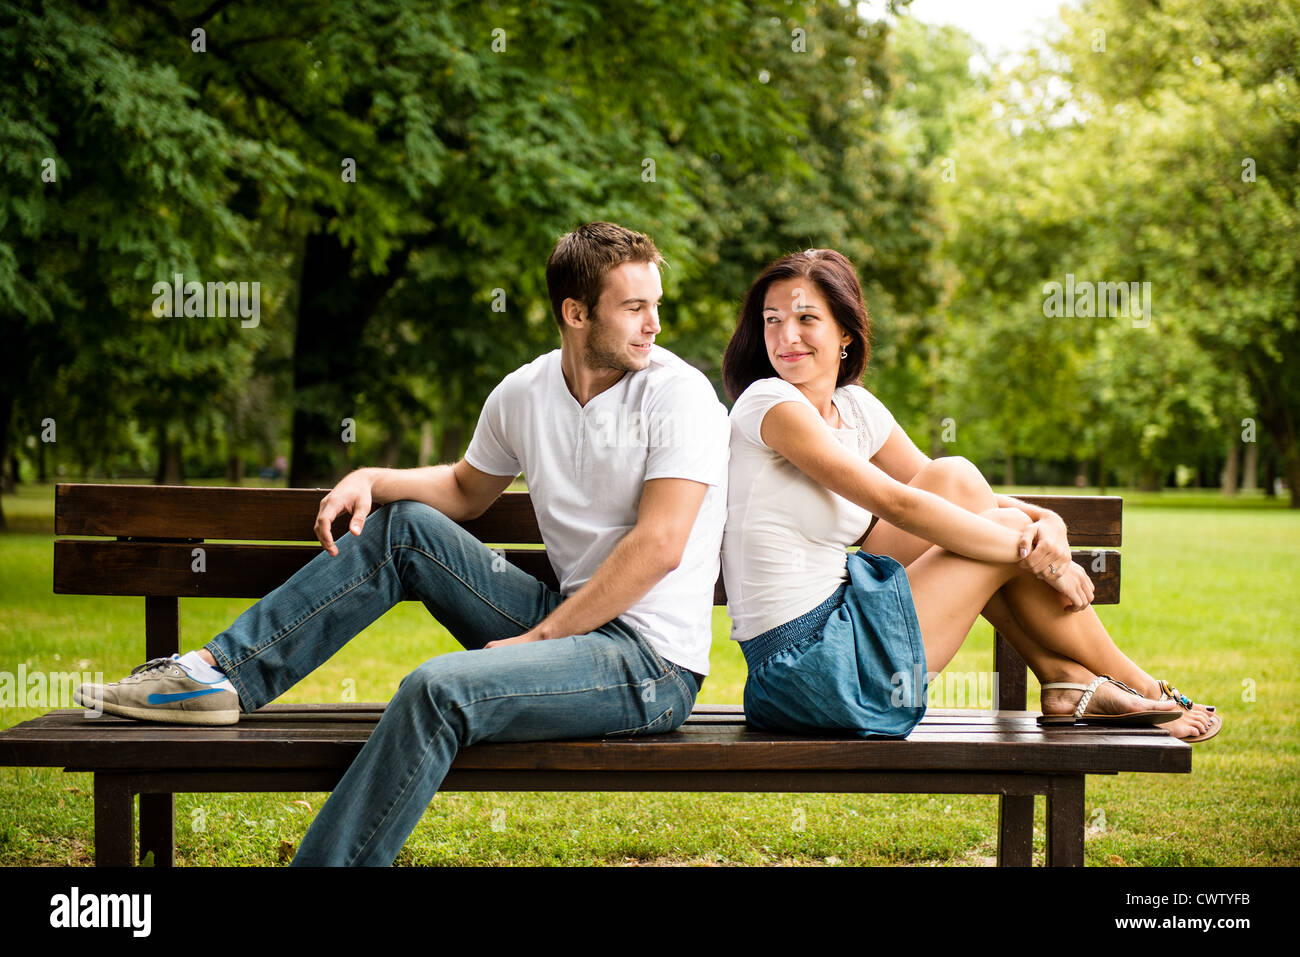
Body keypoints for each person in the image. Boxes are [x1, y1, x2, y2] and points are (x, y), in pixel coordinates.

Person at [74, 221, 732, 865]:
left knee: (437, 687)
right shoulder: (524, 393)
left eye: (656, 307)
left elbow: (660, 545)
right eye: (636, 307)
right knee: (402, 527)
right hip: (562, 627)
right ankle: (218, 675)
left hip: (648, 665)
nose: (655, 325)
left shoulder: (678, 395)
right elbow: (465, 488)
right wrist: (371, 478)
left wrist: (540, 640)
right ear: (576, 312)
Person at [719, 248, 1221, 743]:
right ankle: (1141, 686)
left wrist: (1046, 520)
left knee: (955, 475)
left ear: (845, 332)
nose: (787, 336)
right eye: (772, 319)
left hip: (841, 622)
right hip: (804, 670)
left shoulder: (853, 409)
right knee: (997, 531)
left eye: (807, 318)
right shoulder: (770, 403)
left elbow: (953, 491)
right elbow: (899, 504)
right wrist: (1047, 561)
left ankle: (1066, 682)